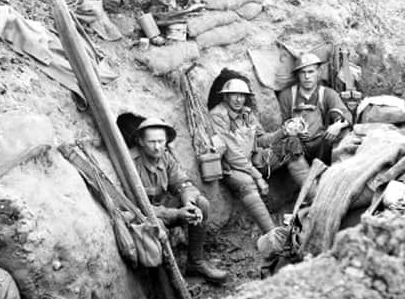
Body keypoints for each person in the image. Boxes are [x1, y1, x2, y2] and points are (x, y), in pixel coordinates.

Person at [131, 117, 227, 283]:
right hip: (144, 215)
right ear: (140, 141)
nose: (157, 147)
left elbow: (183, 183)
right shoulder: (132, 164)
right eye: (151, 142)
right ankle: (162, 282)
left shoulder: (166, 158)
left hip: (164, 208)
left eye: (161, 141)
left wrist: (189, 203)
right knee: (157, 228)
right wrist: (176, 214)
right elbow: (135, 207)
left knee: (201, 203)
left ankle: (195, 262)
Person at [210, 78, 311, 233]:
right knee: (247, 182)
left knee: (292, 144)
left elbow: (262, 140)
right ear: (225, 96)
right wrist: (258, 177)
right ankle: (273, 235)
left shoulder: (247, 114)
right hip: (233, 167)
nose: (239, 99)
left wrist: (284, 132)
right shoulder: (218, 116)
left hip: (253, 160)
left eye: (242, 95)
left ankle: (316, 200)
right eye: (234, 95)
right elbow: (233, 155)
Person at [277, 53, 352, 164]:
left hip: (321, 142)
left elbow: (346, 115)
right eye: (303, 72)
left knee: (344, 132)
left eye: (311, 72)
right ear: (298, 75)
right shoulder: (287, 95)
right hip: (296, 144)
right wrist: (293, 131)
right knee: (291, 144)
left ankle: (335, 169)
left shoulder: (327, 93)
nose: (307, 77)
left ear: (318, 73)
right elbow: (280, 125)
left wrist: (337, 125)